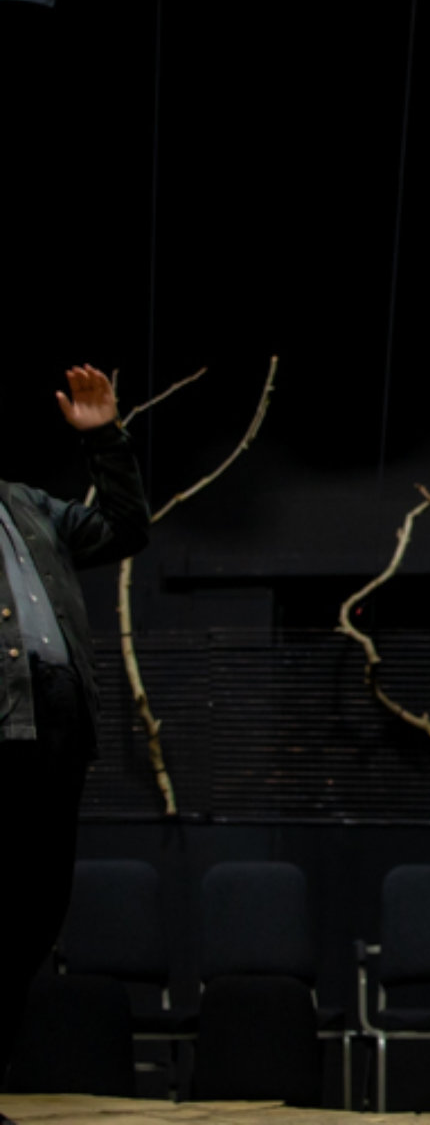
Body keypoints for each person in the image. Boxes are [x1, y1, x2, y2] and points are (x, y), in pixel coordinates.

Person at [0, 365, 151, 1085]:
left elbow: (125, 530)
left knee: (35, 911)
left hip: (56, 721)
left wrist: (107, 444)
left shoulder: (28, 505)